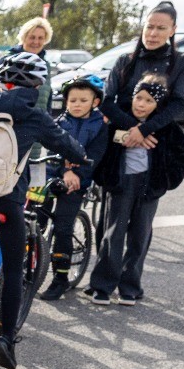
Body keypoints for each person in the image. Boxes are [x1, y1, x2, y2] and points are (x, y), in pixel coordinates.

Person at [0, 52, 85, 369]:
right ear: (38, 86)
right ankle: (6, 339)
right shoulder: (36, 117)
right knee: (13, 269)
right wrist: (79, 157)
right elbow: (65, 144)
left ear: (0, 81)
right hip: (8, 199)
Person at [90, 1, 184, 303]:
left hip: (155, 153)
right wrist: (132, 130)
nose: (153, 32)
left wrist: (145, 131)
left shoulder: (181, 63)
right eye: (150, 26)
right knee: (114, 223)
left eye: (161, 28)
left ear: (173, 30)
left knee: (142, 228)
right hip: (120, 149)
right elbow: (107, 100)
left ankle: (130, 286)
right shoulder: (126, 60)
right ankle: (103, 285)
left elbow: (177, 104)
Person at [39, 76, 108, 302]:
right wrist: (63, 170)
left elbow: (94, 158)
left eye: (83, 100)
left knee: (62, 227)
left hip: (78, 181)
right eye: (73, 100)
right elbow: (51, 151)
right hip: (52, 176)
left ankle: (60, 278)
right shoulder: (58, 123)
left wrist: (76, 174)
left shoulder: (100, 127)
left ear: (94, 102)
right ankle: (28, 264)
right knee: (33, 218)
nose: (77, 104)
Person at [0, 17, 53, 108]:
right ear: (24, 37)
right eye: (32, 37)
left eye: (40, 38)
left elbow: (47, 97)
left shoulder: (46, 66)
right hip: (9, 119)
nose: (36, 42)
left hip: (38, 120)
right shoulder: (7, 61)